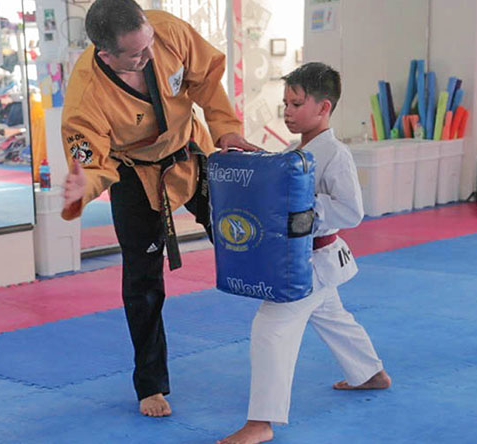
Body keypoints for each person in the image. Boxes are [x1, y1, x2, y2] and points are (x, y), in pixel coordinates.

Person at [60, 0, 257, 417]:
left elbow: (206, 79)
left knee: (244, 232)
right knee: (143, 283)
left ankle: (291, 309)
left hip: (190, 149)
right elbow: (93, 164)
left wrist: (225, 128)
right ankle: (150, 385)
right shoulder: (85, 96)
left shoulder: (167, 31)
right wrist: (84, 185)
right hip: (135, 173)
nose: (149, 54)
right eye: (136, 53)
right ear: (106, 56)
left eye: (148, 42)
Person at [218, 63, 391, 444]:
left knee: (270, 328)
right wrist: (251, 157)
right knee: (333, 316)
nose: (288, 111)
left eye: (296, 104)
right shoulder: (295, 150)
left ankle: (261, 422)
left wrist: (303, 209)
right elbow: (278, 182)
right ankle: (371, 373)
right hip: (305, 262)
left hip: (309, 262)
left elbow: (351, 211)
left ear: (324, 107)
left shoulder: (335, 154)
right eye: (286, 103)